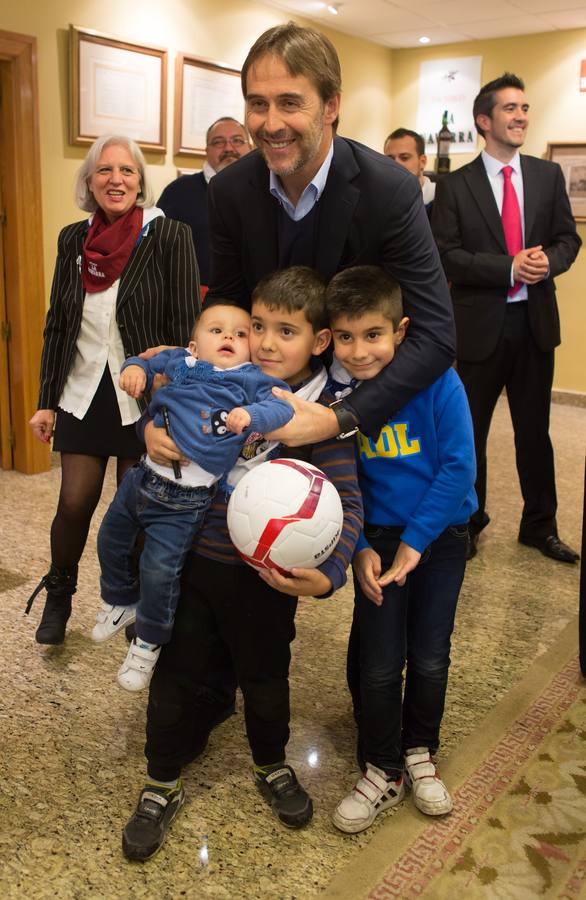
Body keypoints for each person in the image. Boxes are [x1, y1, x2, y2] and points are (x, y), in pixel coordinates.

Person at [121, 266, 363, 861]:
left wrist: (329, 575)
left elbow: (349, 505)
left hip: (265, 583)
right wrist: (151, 431)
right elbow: (160, 406)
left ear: (319, 342)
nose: (268, 342)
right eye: (258, 326)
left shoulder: (322, 415)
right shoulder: (216, 381)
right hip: (192, 565)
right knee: (176, 672)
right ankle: (161, 781)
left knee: (265, 677)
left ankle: (272, 764)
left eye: (288, 330)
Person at [206, 21, 455, 448]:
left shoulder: (389, 191)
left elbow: (436, 335)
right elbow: (226, 304)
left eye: (289, 103)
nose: (271, 123)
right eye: (258, 104)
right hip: (257, 408)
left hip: (362, 408)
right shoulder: (228, 191)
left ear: (330, 106)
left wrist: (335, 418)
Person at [26, 134, 200, 646]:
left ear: (141, 181)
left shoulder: (169, 235)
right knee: (75, 502)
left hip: (144, 392)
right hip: (83, 389)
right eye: (104, 171)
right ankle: (59, 595)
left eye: (126, 171)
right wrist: (44, 400)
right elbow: (59, 324)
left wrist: (174, 391)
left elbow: (185, 323)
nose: (116, 180)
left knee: (137, 509)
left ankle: (130, 607)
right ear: (89, 182)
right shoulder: (71, 240)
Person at [324, 266, 476, 833]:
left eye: (373, 335)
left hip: (441, 537)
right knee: (382, 662)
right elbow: (344, 482)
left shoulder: (439, 382)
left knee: (431, 654)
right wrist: (361, 545)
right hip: (378, 542)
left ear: (402, 331)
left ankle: (420, 753)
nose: (360, 351)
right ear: (330, 338)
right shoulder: (338, 398)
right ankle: (383, 767)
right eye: (346, 336)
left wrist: (417, 541)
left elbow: (459, 468)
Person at [92, 301, 293, 692]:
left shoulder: (250, 379)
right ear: (194, 346)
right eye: (216, 330)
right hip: (142, 478)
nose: (229, 338)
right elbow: (145, 362)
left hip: (186, 499)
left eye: (239, 333)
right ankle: (118, 601)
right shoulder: (181, 362)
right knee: (110, 537)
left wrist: (253, 417)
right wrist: (134, 369)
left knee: (159, 570)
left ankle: (147, 643)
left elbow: (280, 405)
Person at [432, 73, 581, 563]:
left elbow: (567, 240)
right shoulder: (454, 187)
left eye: (525, 108)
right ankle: (468, 523)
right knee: (469, 432)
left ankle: (540, 526)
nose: (521, 116)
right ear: (484, 120)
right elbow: (446, 254)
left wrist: (546, 264)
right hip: (478, 329)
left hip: (534, 324)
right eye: (511, 109)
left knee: (534, 432)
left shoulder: (545, 176)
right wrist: (507, 267)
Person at [157, 118, 251, 288]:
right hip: (194, 304)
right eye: (218, 142)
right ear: (206, 150)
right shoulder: (177, 193)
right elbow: (156, 255)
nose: (229, 148)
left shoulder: (270, 190)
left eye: (237, 141)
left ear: (250, 148)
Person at [384, 127, 436, 213]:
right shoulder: (379, 197)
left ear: (422, 161)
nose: (396, 164)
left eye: (404, 158)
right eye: (390, 159)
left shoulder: (440, 195)